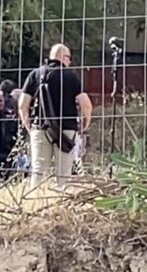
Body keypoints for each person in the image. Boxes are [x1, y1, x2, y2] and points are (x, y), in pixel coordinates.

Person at [18, 44, 93, 189]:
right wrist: (85, 123)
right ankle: (62, 203)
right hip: (66, 130)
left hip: (40, 127)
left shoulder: (36, 74)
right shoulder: (71, 76)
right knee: (64, 173)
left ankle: (34, 202)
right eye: (69, 58)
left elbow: (22, 104)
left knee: (38, 170)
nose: (70, 62)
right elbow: (86, 104)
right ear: (63, 57)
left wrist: (28, 125)